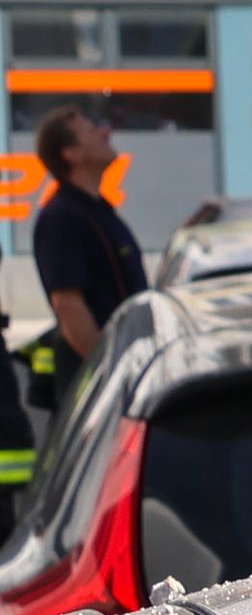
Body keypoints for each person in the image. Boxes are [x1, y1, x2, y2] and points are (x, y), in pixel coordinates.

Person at [28, 106, 147, 421]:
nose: (106, 133)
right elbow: (69, 308)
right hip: (96, 397)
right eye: (92, 130)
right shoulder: (61, 218)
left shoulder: (98, 211)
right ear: (71, 154)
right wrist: (112, 373)